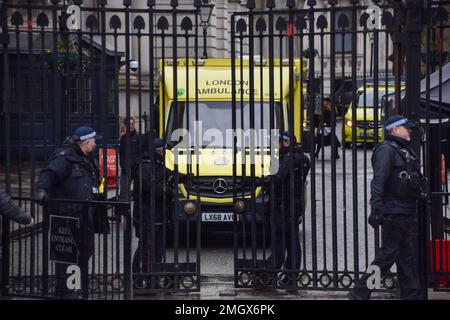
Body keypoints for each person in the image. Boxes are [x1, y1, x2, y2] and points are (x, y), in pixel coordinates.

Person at [348, 115, 426, 300]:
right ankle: (360, 292)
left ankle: (412, 295)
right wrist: (376, 209)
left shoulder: (405, 151)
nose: (410, 130)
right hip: (394, 213)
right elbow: (378, 182)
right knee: (386, 257)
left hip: (407, 212)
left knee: (407, 257)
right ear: (395, 130)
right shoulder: (386, 150)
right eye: (406, 128)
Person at [35, 126, 102, 299]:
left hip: (84, 215)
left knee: (86, 251)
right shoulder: (64, 158)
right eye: (94, 141)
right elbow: (47, 174)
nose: (96, 144)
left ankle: (74, 286)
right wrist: (41, 191)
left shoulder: (87, 159)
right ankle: (64, 291)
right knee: (66, 256)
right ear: (86, 143)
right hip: (67, 216)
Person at [270, 131, 310, 291]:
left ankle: (277, 273)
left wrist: (266, 179)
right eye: (280, 142)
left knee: (282, 239)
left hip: (284, 204)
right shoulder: (303, 158)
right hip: (295, 204)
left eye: (284, 142)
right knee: (291, 238)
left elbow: (277, 177)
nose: (281, 145)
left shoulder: (288, 159)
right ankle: (289, 274)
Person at [132, 138, 172, 288]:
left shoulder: (157, 164)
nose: (163, 152)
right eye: (162, 150)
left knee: (158, 247)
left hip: (159, 214)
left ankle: (153, 277)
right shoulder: (145, 167)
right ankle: (139, 278)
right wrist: (169, 192)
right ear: (157, 150)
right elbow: (151, 189)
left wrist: (187, 177)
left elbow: (170, 175)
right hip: (146, 214)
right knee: (145, 246)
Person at [119, 117, 139, 203]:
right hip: (126, 169)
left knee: (138, 193)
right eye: (129, 124)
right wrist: (123, 166)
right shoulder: (123, 138)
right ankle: (124, 213)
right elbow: (121, 153)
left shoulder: (138, 136)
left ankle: (137, 214)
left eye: (132, 124)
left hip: (137, 168)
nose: (130, 126)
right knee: (124, 193)